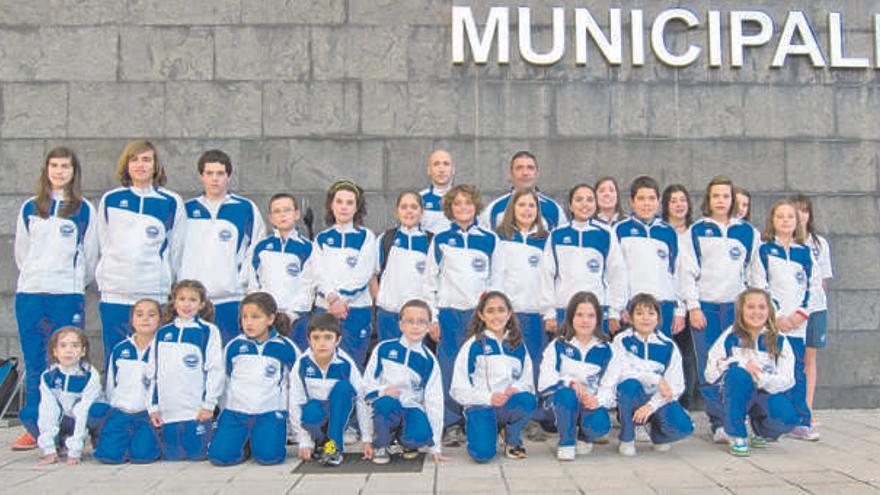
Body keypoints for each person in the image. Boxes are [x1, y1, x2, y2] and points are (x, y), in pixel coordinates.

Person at [12, 147, 99, 451]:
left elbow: (90, 256)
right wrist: (38, 276)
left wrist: (70, 281)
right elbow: (22, 253)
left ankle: (70, 429)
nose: (60, 171)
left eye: (65, 166)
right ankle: (34, 427)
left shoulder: (84, 209)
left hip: (66, 295)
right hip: (31, 295)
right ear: (46, 170)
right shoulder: (30, 207)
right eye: (54, 166)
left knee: (69, 362)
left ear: (74, 172)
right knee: (37, 362)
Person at [677, 176, 760, 443]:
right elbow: (687, 273)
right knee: (709, 367)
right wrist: (693, 307)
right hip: (706, 309)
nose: (721, 201)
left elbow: (755, 274)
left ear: (732, 200)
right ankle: (718, 423)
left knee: (737, 363)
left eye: (726, 196)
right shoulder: (697, 231)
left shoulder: (748, 232)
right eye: (716, 196)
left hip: (736, 312)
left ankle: (736, 416)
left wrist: (756, 308)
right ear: (708, 200)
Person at [96, 139, 186, 369]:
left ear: (156, 166)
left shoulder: (171, 201)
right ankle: (117, 402)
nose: (140, 165)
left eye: (146, 159)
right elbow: (104, 243)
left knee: (154, 358)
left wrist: (165, 281)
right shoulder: (111, 199)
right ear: (126, 165)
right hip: (115, 292)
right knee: (116, 354)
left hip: (152, 290)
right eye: (134, 159)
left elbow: (177, 250)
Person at [424, 184, 500, 446]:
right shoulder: (441, 238)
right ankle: (451, 423)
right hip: (449, 314)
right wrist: (432, 318)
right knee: (449, 368)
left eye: (468, 203)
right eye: (457, 203)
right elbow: (429, 281)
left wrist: (493, 315)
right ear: (450, 208)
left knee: (479, 367)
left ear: (476, 205)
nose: (463, 208)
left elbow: (496, 280)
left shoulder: (490, 238)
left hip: (479, 316)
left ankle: (479, 416)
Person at [748, 200, 822, 441]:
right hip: (774, 324)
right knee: (772, 369)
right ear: (772, 220)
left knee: (798, 371)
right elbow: (760, 285)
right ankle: (770, 420)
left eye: (790, 216)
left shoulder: (805, 252)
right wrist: (777, 316)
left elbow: (814, 287)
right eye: (780, 217)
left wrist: (800, 315)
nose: (786, 221)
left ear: (797, 221)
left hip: (798, 325)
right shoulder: (764, 250)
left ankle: (800, 421)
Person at [178, 149, 265, 344]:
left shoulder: (245, 208)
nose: (214, 179)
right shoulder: (186, 209)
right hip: (193, 302)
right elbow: (175, 252)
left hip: (231, 299)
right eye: (209, 174)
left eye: (220, 173)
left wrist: (246, 288)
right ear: (201, 176)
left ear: (228, 176)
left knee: (228, 356)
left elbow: (256, 252)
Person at [493, 188, 556, 439]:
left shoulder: (545, 239)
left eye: (531, 206)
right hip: (509, 314)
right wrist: (499, 311)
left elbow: (550, 278)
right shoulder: (500, 238)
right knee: (508, 367)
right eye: (522, 206)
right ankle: (507, 417)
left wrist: (548, 310)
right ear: (512, 209)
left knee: (536, 366)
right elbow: (496, 275)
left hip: (535, 313)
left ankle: (533, 418)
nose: (527, 210)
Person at [705, 289, 799, 456]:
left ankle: (759, 429)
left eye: (762, 307)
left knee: (788, 418)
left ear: (769, 311)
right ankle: (736, 434)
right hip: (734, 394)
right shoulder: (730, 336)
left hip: (765, 393)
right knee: (737, 374)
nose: (756, 312)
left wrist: (760, 379)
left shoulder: (779, 340)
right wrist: (740, 364)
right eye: (750, 307)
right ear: (741, 310)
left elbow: (788, 379)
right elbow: (710, 372)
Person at [209, 292, 299, 466]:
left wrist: (290, 419)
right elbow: (223, 379)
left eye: (256, 317)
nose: (248, 323)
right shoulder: (234, 346)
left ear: (270, 319)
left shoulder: (285, 347)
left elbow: (297, 384)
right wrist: (224, 409)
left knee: (270, 458)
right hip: (236, 412)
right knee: (220, 457)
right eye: (245, 317)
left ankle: (258, 439)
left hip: (269, 412)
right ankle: (243, 442)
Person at [599, 293, 693, 456]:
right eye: (639, 313)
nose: (645, 318)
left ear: (658, 318)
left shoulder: (668, 346)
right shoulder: (621, 341)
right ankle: (627, 437)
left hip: (656, 401)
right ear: (630, 317)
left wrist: (651, 406)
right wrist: (655, 379)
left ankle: (658, 433)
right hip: (632, 398)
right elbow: (621, 373)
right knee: (629, 384)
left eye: (651, 313)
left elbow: (675, 386)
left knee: (683, 426)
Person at [450, 291, 537, 462]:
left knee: (527, 399)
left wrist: (516, 388)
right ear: (481, 315)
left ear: (509, 314)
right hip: (481, 406)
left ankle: (511, 437)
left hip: (506, 405)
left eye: (501, 310)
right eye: (490, 311)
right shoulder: (473, 345)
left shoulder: (517, 345)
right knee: (482, 455)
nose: (496, 316)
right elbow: (457, 389)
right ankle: (483, 430)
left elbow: (528, 381)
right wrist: (488, 397)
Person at [146, 280, 224, 461]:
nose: (186, 304)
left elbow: (215, 370)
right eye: (182, 299)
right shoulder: (162, 333)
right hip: (169, 413)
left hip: (196, 413)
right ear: (174, 302)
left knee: (198, 456)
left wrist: (208, 405)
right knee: (172, 458)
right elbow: (153, 373)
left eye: (192, 300)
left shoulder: (208, 331)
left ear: (202, 304)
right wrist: (153, 407)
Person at [364, 299, 446, 464]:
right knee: (385, 403)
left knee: (421, 436)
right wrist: (366, 437)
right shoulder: (384, 349)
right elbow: (366, 386)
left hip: (410, 408)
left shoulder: (429, 360)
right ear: (401, 325)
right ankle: (381, 444)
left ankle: (402, 439)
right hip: (386, 404)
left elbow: (434, 401)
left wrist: (436, 446)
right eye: (410, 321)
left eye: (421, 322)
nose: (415, 326)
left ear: (429, 326)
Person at [307, 180, 377, 367]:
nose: (344, 207)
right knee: (325, 363)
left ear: (357, 207)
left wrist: (342, 299)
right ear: (331, 205)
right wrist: (332, 299)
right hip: (326, 308)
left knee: (353, 365)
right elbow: (318, 273)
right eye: (339, 202)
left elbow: (364, 272)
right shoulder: (322, 239)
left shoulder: (366, 237)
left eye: (349, 202)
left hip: (357, 310)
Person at [288, 313, 373, 467]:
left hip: (338, 415)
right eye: (316, 337)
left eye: (328, 337)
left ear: (338, 340)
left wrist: (367, 439)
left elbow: (362, 399)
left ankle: (333, 447)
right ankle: (318, 442)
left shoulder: (346, 363)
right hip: (315, 417)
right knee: (311, 409)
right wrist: (303, 440)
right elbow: (295, 403)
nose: (322, 343)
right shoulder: (302, 364)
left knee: (343, 388)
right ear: (309, 340)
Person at [538, 292, 613, 461]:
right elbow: (544, 382)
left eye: (590, 315)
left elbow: (611, 385)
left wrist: (598, 400)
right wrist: (569, 383)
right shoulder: (558, 345)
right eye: (579, 315)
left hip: (589, 404)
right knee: (566, 394)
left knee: (600, 424)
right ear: (570, 316)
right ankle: (566, 442)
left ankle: (585, 437)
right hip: (560, 405)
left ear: (598, 319)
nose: (585, 320)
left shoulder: (607, 349)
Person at [546, 184, 627, 336]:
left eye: (589, 200)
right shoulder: (557, 235)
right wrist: (549, 312)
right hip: (565, 309)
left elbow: (617, 273)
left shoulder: (606, 234)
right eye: (579, 199)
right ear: (570, 205)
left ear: (596, 204)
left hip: (597, 309)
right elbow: (546, 275)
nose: (584, 204)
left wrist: (614, 311)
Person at [90, 299, 162, 464]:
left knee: (142, 456)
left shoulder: (162, 348)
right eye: (139, 315)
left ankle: (144, 438)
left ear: (160, 319)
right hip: (121, 412)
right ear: (132, 319)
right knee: (109, 457)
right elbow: (111, 384)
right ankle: (105, 435)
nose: (145, 319)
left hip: (147, 414)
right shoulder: (120, 349)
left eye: (151, 315)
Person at [19, 327, 102, 466]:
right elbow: (48, 410)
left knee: (99, 409)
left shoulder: (90, 374)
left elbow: (84, 411)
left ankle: (97, 440)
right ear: (55, 351)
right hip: (65, 418)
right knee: (29, 413)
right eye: (63, 346)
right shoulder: (48, 376)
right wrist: (48, 449)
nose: (69, 350)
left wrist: (75, 451)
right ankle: (59, 444)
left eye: (75, 345)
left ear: (83, 351)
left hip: (86, 419)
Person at [614, 176, 685, 339]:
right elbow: (614, 273)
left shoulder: (669, 232)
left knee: (662, 355)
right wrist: (619, 306)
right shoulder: (619, 230)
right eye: (641, 198)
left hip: (663, 305)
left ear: (659, 201)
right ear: (632, 201)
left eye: (651, 198)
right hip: (632, 305)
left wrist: (680, 310)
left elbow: (677, 272)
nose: (647, 204)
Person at [246, 193, 314, 351]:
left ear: (296, 214)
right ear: (270, 217)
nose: (282, 215)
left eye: (287, 210)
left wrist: (291, 315)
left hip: (296, 320)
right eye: (277, 211)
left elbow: (309, 286)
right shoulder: (260, 246)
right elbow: (252, 282)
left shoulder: (308, 248)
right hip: (266, 320)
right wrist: (263, 312)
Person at [790, 193, 832, 427]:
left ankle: (806, 408)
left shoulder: (819, 244)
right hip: (792, 311)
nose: (800, 215)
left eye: (805, 210)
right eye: (795, 210)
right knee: (790, 359)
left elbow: (823, 281)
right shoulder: (784, 242)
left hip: (816, 309)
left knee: (809, 359)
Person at [374, 191, 433, 341]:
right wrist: (380, 300)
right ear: (397, 211)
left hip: (418, 317)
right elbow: (372, 274)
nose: (409, 211)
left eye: (414, 207)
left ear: (422, 211)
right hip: (389, 314)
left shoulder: (431, 241)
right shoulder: (386, 238)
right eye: (404, 207)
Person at [661, 184, 699, 410]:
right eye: (673, 200)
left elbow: (692, 273)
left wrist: (687, 307)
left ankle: (685, 401)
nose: (679, 205)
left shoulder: (696, 232)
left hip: (691, 301)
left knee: (687, 355)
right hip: (666, 302)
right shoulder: (660, 231)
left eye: (683, 200)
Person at [479, 151, 566, 231]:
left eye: (530, 168)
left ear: (537, 173)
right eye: (519, 168)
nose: (525, 173)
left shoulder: (553, 209)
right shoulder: (494, 209)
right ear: (510, 174)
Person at [420, 150, 455, 235]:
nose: (441, 169)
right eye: (436, 164)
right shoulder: (419, 199)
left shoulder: (465, 200)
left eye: (446, 164)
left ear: (453, 169)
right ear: (429, 170)